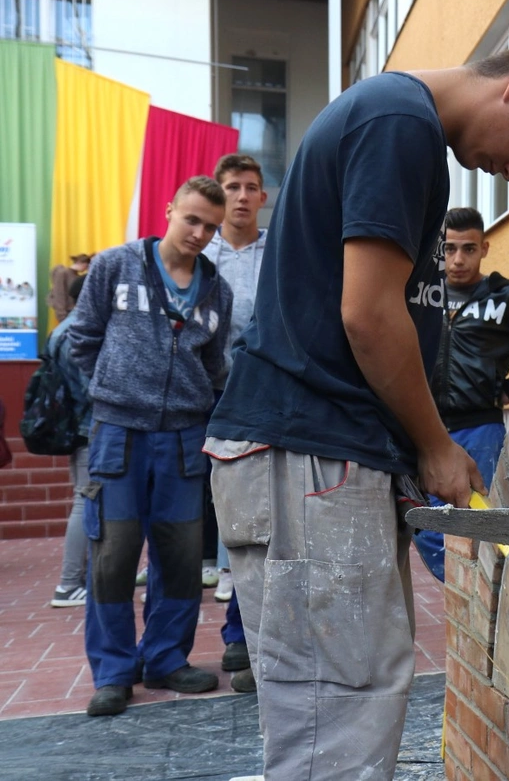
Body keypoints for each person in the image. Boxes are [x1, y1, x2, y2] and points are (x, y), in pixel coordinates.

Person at [204, 42, 509, 781]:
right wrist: (436, 444)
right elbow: (370, 317)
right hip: (307, 455)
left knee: (340, 712)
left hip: (316, 455)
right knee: (337, 725)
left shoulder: (399, 124)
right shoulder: (398, 122)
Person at [64, 176, 233, 716]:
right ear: (169, 210)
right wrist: (113, 390)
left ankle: (165, 659)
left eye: (211, 226)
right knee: (113, 558)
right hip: (118, 434)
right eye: (192, 220)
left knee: (181, 559)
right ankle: (113, 671)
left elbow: (214, 368)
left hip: (184, 438)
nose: (200, 233)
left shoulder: (216, 290)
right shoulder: (116, 266)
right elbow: (82, 337)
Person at [413, 206, 509, 581]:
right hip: (421, 426)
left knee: (481, 523)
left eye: (469, 249)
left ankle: (484, 604)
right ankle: (462, 593)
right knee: (424, 523)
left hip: (479, 428)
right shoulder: (423, 294)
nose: (458, 259)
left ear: (485, 247)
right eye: (449, 250)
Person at [201, 153, 270, 695]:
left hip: (259, 398)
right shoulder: (202, 253)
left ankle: (240, 635)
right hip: (200, 397)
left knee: (253, 517)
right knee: (211, 518)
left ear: (262, 197)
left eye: (251, 187)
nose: (242, 196)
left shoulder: (280, 251)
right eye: (232, 187)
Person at [49, 274, 91, 608]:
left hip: (74, 426)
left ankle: (78, 580)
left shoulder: (61, 329)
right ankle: (68, 584)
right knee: (85, 501)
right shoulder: (78, 331)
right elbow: (91, 386)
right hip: (88, 426)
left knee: (86, 499)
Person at [48, 253, 91, 323]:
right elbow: (59, 294)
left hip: (73, 311)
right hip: (66, 313)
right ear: (83, 264)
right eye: (86, 266)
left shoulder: (76, 276)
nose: (85, 269)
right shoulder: (62, 273)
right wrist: (61, 315)